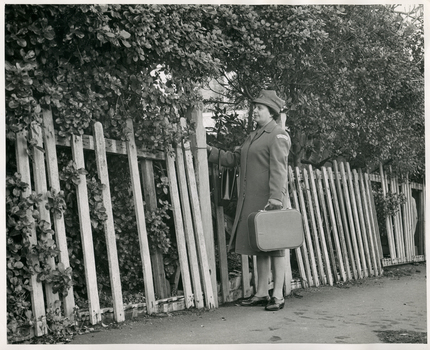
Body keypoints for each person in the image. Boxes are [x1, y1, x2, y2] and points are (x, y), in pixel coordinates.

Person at [207, 90, 291, 311]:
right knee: (260, 247)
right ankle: (262, 292)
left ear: (271, 112)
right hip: (252, 201)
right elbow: (235, 159)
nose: (255, 112)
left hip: (270, 201)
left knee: (276, 248)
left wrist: (275, 199)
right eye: (255, 108)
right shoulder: (253, 136)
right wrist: (211, 152)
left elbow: (279, 171)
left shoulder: (278, 135)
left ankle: (278, 295)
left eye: (260, 108)